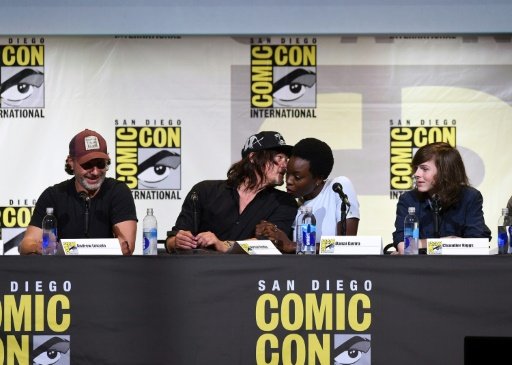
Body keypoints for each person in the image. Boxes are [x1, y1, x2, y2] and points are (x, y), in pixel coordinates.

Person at [165, 131, 298, 253]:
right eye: (279, 158)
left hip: (254, 276)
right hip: (203, 274)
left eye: (287, 160)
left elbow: (271, 244)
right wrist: (177, 242)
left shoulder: (285, 202)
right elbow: (172, 240)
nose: (285, 165)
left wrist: (223, 245)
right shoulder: (204, 191)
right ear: (253, 157)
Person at [19, 129, 138, 255]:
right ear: (71, 162)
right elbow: (26, 245)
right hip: (62, 273)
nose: (95, 172)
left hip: (105, 272)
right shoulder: (53, 195)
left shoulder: (118, 191)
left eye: (101, 164)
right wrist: (38, 247)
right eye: (87, 165)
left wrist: (74, 249)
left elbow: (126, 247)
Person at [255, 137, 360, 253]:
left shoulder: (337, 187)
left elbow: (347, 245)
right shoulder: (291, 205)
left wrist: (293, 246)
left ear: (318, 179)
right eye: (287, 173)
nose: (288, 181)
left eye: (297, 177)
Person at [392, 142, 491, 254]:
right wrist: (444, 243)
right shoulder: (408, 199)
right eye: (416, 168)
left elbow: (477, 243)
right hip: (420, 268)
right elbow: (404, 246)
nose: (416, 173)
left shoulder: (470, 197)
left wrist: (421, 245)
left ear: (445, 171)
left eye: (424, 169)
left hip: (459, 268)